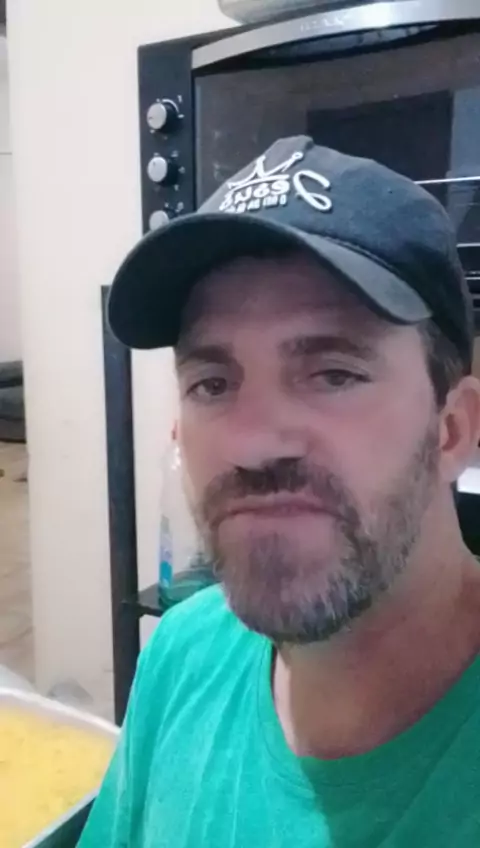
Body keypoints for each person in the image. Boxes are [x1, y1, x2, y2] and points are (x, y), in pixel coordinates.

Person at [79, 137, 480, 847]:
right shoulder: (182, 654)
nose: (254, 445)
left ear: (452, 429)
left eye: (334, 374)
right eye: (213, 384)